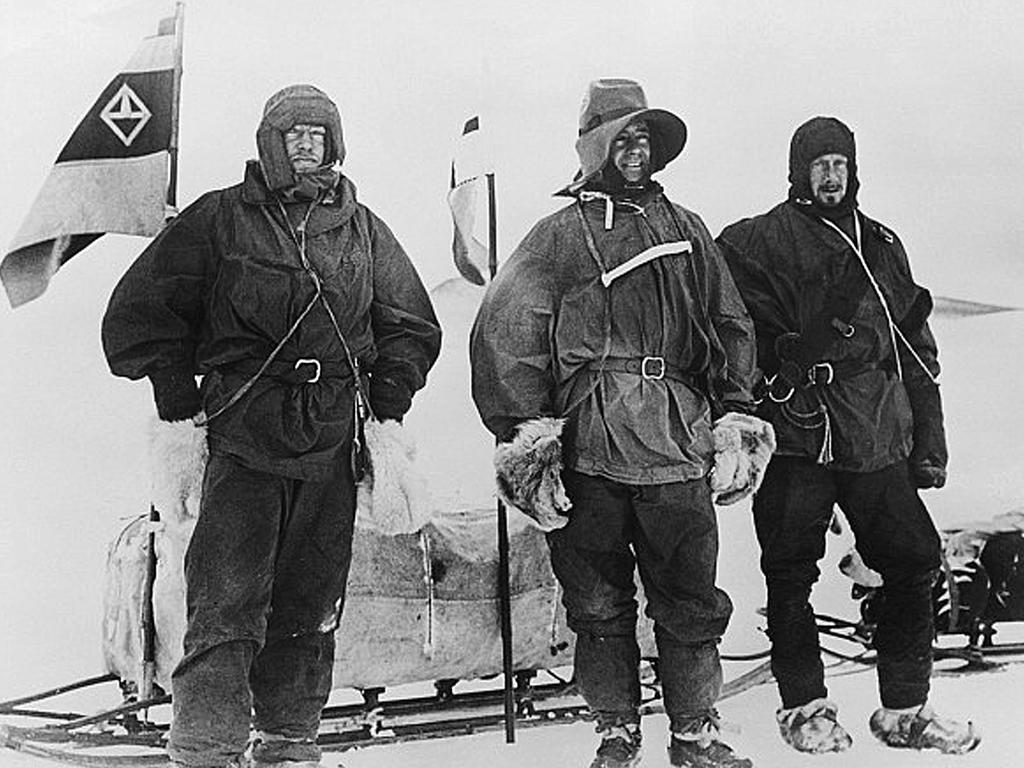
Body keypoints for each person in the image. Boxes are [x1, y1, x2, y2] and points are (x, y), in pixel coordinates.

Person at [102, 84, 441, 768]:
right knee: (226, 609)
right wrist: (172, 385)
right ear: (271, 144)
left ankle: (288, 747)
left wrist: (393, 387)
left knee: (310, 610)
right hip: (244, 438)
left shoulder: (362, 228)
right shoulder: (221, 218)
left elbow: (409, 322)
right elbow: (139, 309)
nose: (309, 145)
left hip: (329, 446)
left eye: (320, 134)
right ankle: (207, 752)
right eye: (295, 135)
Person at [470, 78, 773, 768]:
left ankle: (695, 733)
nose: (634, 152)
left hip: (676, 444)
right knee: (598, 604)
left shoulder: (687, 228)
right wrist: (527, 439)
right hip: (591, 447)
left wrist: (735, 415)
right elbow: (507, 335)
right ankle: (616, 731)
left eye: (644, 139)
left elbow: (730, 323)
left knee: (689, 600)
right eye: (621, 138)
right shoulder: (556, 237)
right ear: (595, 146)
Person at [716, 116, 980, 756]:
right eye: (819, 164)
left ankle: (905, 711)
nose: (831, 175)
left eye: (840, 163)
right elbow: (726, 334)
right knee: (788, 574)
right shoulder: (754, 243)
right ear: (798, 170)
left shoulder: (881, 244)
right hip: (798, 430)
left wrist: (929, 445)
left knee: (914, 559)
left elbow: (915, 349)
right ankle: (805, 708)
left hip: (873, 433)